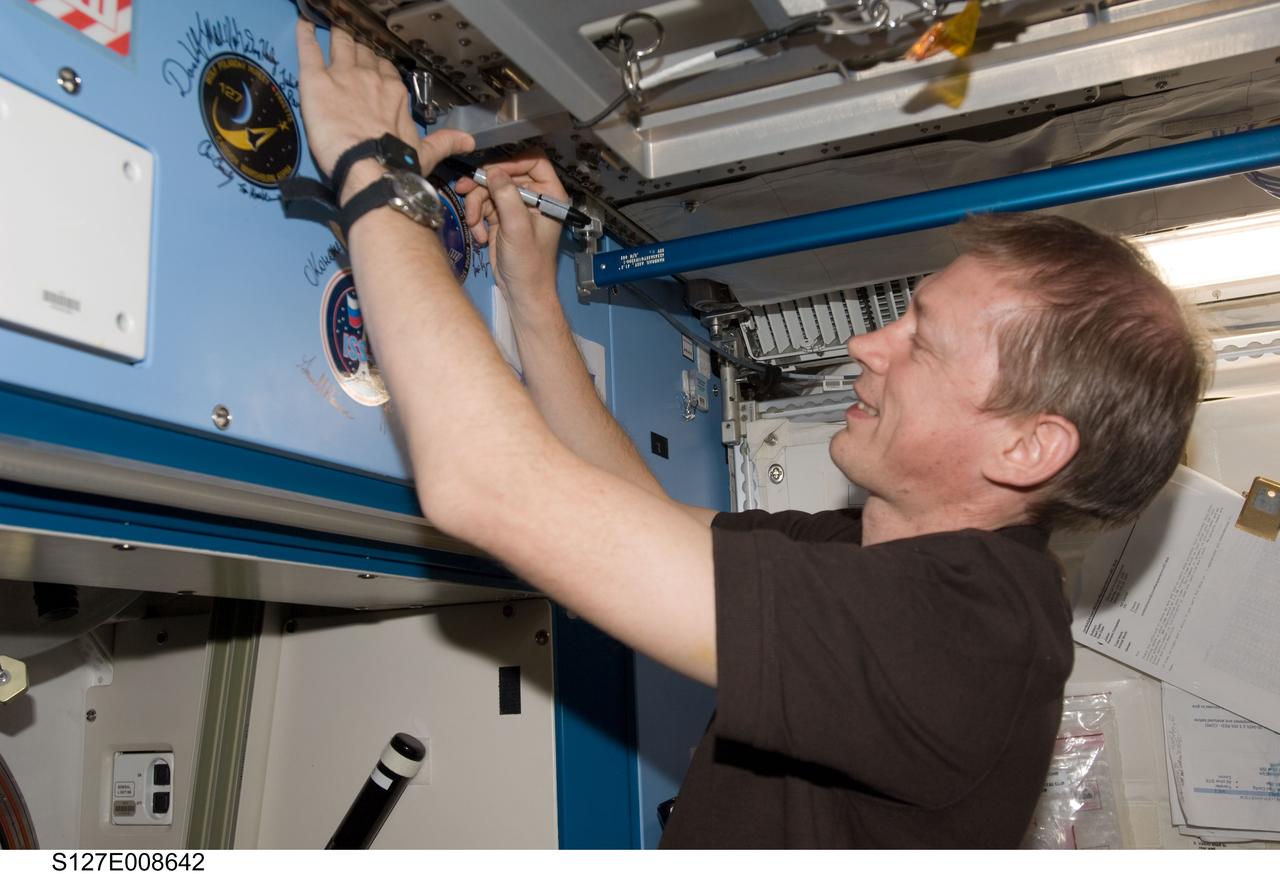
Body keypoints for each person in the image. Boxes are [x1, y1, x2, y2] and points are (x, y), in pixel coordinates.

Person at [294, 20, 1210, 848]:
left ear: (1027, 448)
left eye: (920, 340)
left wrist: (374, 168)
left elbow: (483, 485)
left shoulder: (966, 634)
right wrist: (536, 292)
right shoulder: (886, 561)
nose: (865, 344)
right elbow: (635, 515)